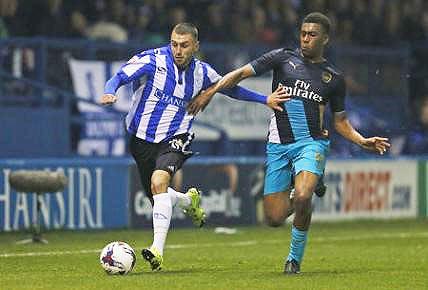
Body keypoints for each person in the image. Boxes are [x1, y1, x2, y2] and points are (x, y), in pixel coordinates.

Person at [187, 12, 390, 274]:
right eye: (303, 33)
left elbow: (340, 121)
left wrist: (362, 141)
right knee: (273, 218)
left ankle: (293, 259)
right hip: (278, 146)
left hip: (311, 143)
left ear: (325, 39)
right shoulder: (282, 58)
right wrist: (210, 91)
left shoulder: (333, 78)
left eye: (312, 34)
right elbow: (239, 74)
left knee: (303, 194)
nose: (305, 39)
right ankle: (308, 191)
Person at [99, 22, 288, 271]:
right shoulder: (151, 60)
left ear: (195, 46)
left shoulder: (202, 72)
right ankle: (188, 201)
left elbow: (230, 89)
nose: (178, 50)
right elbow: (119, 76)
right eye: (174, 44)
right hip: (141, 139)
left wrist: (265, 99)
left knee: (159, 183)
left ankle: (157, 250)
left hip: (176, 136)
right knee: (158, 197)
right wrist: (109, 91)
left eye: (184, 45)